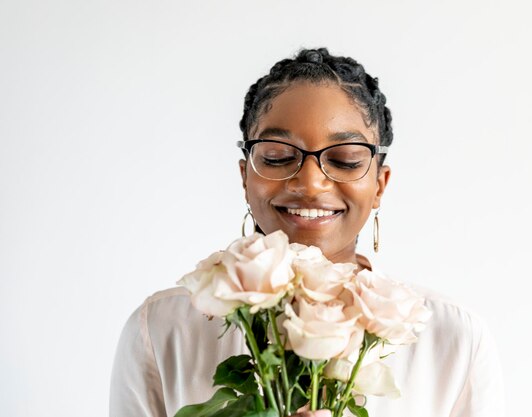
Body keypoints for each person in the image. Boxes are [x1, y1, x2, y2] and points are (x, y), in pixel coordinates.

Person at [110, 48, 505, 417]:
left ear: (380, 185)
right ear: (246, 177)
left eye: (346, 160)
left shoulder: (453, 338)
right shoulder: (163, 328)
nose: (311, 182)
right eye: (279, 156)